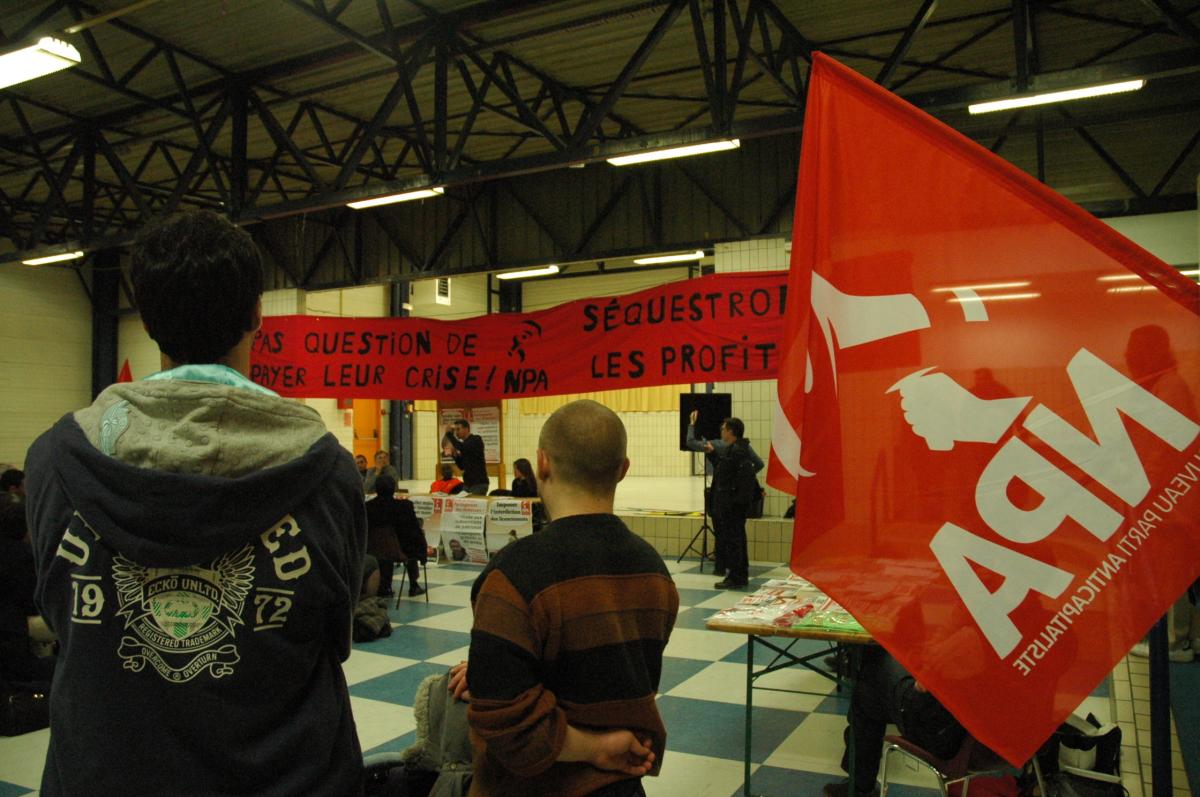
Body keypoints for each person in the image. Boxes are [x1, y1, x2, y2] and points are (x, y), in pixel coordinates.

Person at [23, 210, 366, 795]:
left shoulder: (54, 460)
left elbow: (64, 618)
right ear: (258, 313)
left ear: (148, 319)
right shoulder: (328, 469)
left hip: (104, 775)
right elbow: (335, 633)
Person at [453, 399, 679, 796]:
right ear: (623, 470)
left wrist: (493, 680)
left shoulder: (513, 575)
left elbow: (509, 728)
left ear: (542, 463)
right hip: (624, 785)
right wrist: (489, 667)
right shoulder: (654, 572)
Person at [825, 648, 965, 797]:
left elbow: (929, 678)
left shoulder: (971, 644)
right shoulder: (984, 641)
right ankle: (859, 787)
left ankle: (860, 787)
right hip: (962, 729)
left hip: (942, 729)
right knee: (868, 690)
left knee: (873, 669)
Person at [708, 417, 764, 589]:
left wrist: (734, 502)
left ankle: (735, 577)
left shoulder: (738, 451)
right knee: (736, 540)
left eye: (724, 429)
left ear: (731, 431)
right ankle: (738, 574)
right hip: (732, 505)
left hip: (733, 507)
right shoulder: (734, 449)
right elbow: (724, 470)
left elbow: (741, 479)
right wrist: (712, 454)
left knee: (734, 541)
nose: (721, 432)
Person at [365, 473, 427, 597]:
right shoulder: (404, 506)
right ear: (394, 488)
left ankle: (384, 586)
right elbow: (413, 530)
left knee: (386, 549)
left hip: (373, 550)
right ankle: (413, 585)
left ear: (376, 489)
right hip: (399, 550)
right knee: (413, 541)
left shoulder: (368, 507)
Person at [442, 419, 489, 495]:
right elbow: (461, 467)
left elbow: (462, 447)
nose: (456, 432)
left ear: (466, 429)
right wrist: (455, 454)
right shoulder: (463, 445)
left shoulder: (476, 439)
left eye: (458, 429)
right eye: (455, 430)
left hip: (479, 484)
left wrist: (449, 434)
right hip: (467, 484)